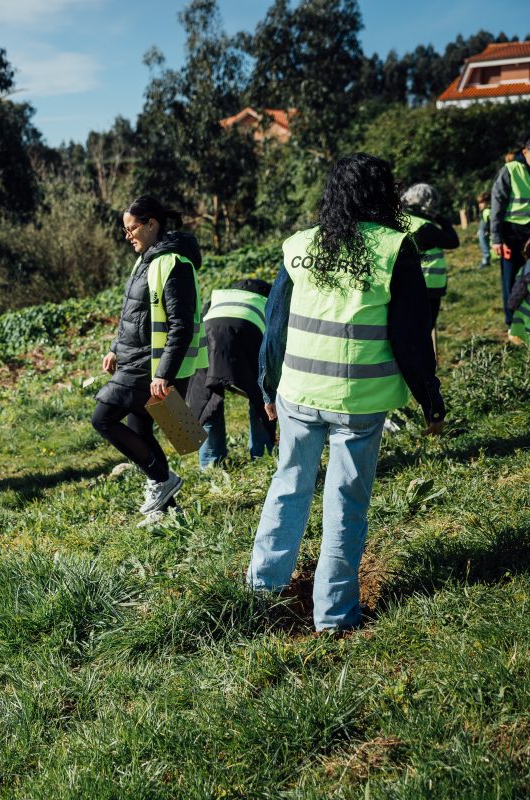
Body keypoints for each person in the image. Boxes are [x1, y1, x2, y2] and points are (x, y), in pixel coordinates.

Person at [248, 153, 446, 634]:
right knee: (345, 503)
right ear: (384, 195)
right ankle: (334, 617)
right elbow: (412, 337)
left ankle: (260, 593)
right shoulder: (396, 248)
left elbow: (274, 325)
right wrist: (431, 401)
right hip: (358, 403)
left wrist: (266, 385)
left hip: (297, 394)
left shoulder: (300, 246)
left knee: (288, 486)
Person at [92, 195, 207, 527]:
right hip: (133, 359)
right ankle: (165, 509)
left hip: (150, 365)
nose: (128, 236)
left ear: (152, 224)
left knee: (102, 418)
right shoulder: (146, 260)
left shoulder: (175, 264)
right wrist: (115, 347)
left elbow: (181, 326)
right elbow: (135, 313)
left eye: (132, 228)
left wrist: (164, 373)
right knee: (138, 427)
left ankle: (162, 479)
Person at [186, 278, 276, 468]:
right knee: (261, 396)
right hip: (248, 332)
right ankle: (263, 456)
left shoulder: (221, 295)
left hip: (207, 331)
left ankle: (210, 463)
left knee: (207, 397)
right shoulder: (268, 299)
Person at [401, 182, 459, 349]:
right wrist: (440, 218)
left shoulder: (402, 220)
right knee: (424, 331)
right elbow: (453, 241)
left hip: (407, 283)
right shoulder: (426, 227)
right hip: (430, 284)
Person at [490, 133, 530, 343]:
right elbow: (497, 204)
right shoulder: (510, 170)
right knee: (510, 279)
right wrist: (496, 238)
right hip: (511, 234)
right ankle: (511, 323)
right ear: (525, 152)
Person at [477, 194, 491, 269]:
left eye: (482, 202)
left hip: (484, 233)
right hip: (482, 232)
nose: (480, 205)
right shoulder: (484, 211)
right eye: (479, 203)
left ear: (487, 202)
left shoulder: (487, 211)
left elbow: (491, 222)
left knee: (485, 248)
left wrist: (488, 231)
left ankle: (486, 261)